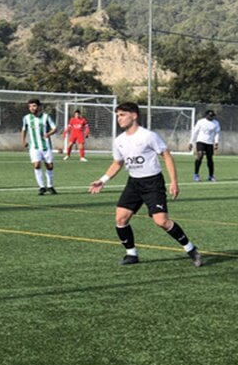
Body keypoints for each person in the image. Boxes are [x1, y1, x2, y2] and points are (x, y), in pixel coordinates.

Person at [88, 102, 202, 267]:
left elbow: (167, 156)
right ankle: (131, 254)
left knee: (161, 221)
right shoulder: (119, 141)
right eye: (117, 115)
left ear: (134, 115)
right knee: (121, 218)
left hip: (152, 182)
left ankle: (191, 249)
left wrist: (174, 182)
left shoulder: (148, 136)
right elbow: (117, 163)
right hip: (134, 183)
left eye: (122, 115)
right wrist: (103, 180)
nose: (119, 119)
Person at [21, 98, 57, 195]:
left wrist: (48, 134)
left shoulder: (46, 117)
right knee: (36, 165)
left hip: (46, 146)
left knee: (49, 166)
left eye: (34, 106)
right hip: (34, 147)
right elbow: (24, 129)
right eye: (30, 106)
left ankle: (50, 186)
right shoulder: (26, 118)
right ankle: (41, 187)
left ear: (39, 107)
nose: (32, 108)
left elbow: (54, 128)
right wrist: (23, 140)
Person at [189, 110, 221, 182]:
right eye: (210, 116)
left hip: (209, 143)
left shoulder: (216, 123)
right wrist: (191, 142)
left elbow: (217, 133)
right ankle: (196, 174)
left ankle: (211, 175)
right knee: (200, 155)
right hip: (200, 141)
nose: (212, 117)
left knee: (210, 159)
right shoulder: (200, 122)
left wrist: (216, 142)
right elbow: (195, 132)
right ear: (206, 115)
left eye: (213, 116)